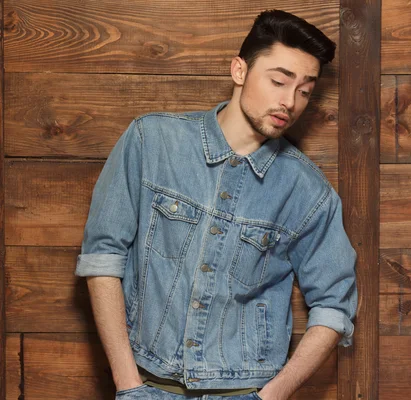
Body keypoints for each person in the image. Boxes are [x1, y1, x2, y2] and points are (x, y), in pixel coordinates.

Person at [75, 9, 357, 400]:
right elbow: (103, 257)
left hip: (244, 390)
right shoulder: (151, 141)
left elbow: (334, 307)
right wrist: (128, 384)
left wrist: (270, 396)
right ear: (239, 71)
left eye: (305, 91)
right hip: (146, 383)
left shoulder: (308, 192)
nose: (289, 102)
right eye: (278, 81)